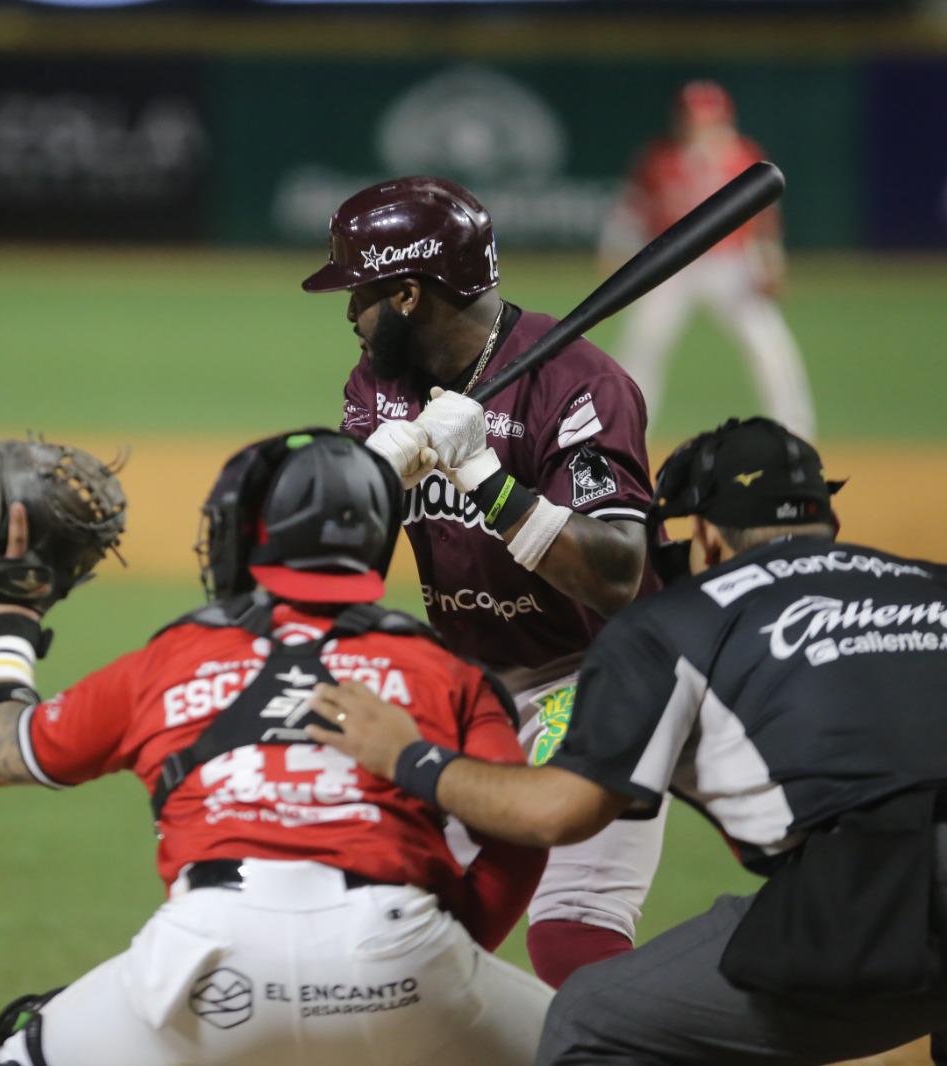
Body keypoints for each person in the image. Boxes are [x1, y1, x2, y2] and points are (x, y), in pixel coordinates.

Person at [308, 416, 947, 1065]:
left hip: (879, 892)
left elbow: (558, 814)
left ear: (703, 535)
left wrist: (410, 756)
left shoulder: (679, 619)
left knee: (590, 1021)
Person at [0, 430, 553, 1066]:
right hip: (400, 948)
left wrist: (8, 620)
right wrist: (446, 951)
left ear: (245, 534)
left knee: (13, 1054)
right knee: (603, 1038)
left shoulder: (171, 660)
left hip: (203, 962)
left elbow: (1, 750)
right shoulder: (446, 672)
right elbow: (521, 828)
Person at [304, 175, 664, 985]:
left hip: (601, 675)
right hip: (470, 682)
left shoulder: (582, 384)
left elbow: (617, 572)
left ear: (405, 292)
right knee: (397, 918)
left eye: (359, 291)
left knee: (573, 932)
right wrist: (372, 476)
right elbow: (342, 556)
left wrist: (488, 479)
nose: (348, 312)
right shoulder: (379, 383)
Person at [600, 81, 816, 440]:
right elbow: (632, 210)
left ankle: (796, 432)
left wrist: (770, 262)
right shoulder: (659, 158)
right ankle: (623, 435)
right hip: (670, 265)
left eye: (705, 118)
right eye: (691, 117)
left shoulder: (742, 155)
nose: (697, 125)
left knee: (768, 344)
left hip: (729, 265)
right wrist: (615, 249)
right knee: (641, 344)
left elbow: (764, 218)